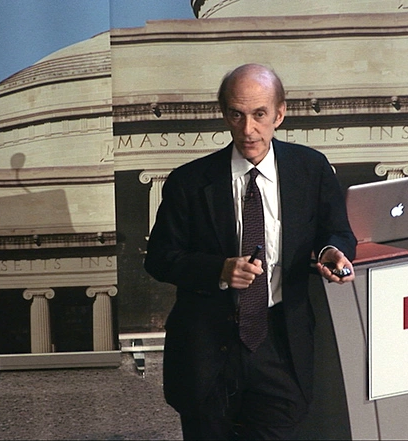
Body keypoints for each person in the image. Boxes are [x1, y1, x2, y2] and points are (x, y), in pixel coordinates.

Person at [144, 63, 357, 440]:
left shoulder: (311, 169)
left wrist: (331, 252)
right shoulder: (189, 182)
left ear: (280, 113)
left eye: (259, 115)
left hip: (280, 342)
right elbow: (160, 258)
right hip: (208, 349)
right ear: (224, 114)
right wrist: (219, 270)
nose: (248, 130)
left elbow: (336, 231)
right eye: (236, 115)